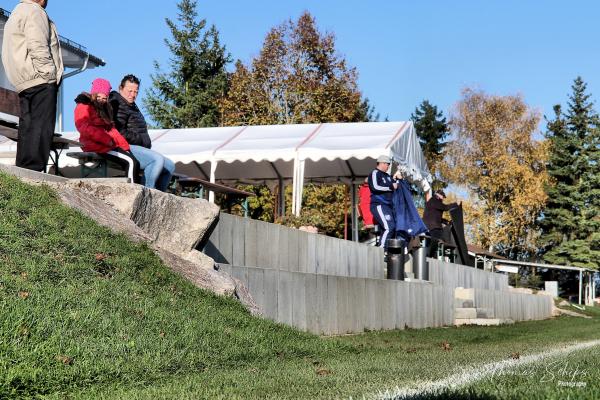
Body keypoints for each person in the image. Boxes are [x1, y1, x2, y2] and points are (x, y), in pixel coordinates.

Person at [1, 0, 63, 172]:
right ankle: (34, 171)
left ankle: (24, 170)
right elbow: (38, 44)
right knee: (41, 128)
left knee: (29, 127)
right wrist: (49, 73)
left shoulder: (17, 11)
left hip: (24, 80)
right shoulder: (35, 11)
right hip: (39, 78)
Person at [109, 74, 175, 192]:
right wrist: (141, 139)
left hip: (137, 146)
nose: (133, 95)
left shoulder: (131, 105)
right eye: (129, 91)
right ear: (121, 88)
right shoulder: (117, 104)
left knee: (169, 166)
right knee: (156, 159)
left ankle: (159, 196)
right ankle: (148, 194)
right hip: (124, 147)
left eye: (136, 92)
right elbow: (119, 131)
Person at [74, 78, 140, 183]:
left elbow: (112, 130)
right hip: (94, 144)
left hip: (106, 144)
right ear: (93, 94)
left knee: (134, 161)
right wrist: (106, 139)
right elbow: (84, 127)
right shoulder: (84, 105)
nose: (101, 100)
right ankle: (133, 190)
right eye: (98, 96)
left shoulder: (104, 109)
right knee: (131, 162)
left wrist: (125, 147)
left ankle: (131, 186)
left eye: (104, 98)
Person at [368, 155, 399, 249]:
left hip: (388, 206)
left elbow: (395, 185)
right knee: (389, 227)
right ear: (382, 163)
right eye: (387, 164)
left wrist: (399, 179)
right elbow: (375, 187)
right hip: (379, 204)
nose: (388, 166)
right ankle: (382, 249)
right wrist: (390, 187)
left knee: (389, 228)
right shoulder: (375, 173)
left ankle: (386, 250)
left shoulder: (388, 176)